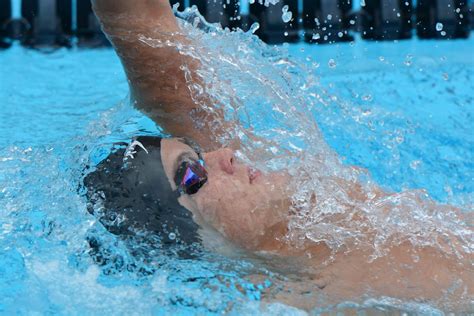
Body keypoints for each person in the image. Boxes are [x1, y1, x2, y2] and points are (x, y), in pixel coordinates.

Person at [88, 0, 472, 311]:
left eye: (199, 153)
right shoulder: (314, 304)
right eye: (191, 175)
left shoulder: (294, 201)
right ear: (191, 244)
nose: (225, 155)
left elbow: (144, 31)